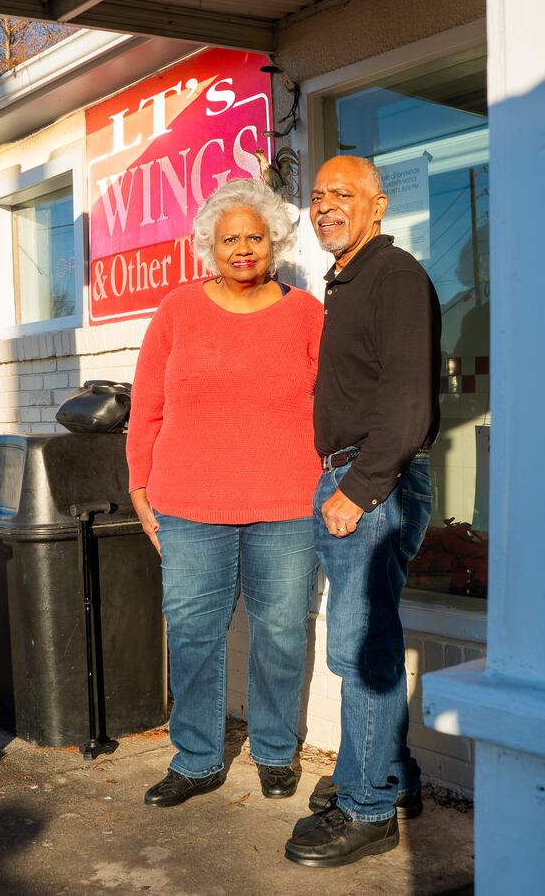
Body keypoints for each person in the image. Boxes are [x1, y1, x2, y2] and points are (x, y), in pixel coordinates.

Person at [127, 178, 323, 808]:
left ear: (275, 242)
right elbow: (147, 407)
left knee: (282, 632)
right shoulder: (177, 309)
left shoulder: (306, 314)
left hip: (288, 503)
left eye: (255, 236)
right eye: (229, 238)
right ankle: (197, 759)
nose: (243, 248)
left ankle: (271, 751)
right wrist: (137, 484)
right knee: (191, 634)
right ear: (210, 247)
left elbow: (332, 405)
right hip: (187, 503)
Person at [285, 156, 441, 867]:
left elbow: (409, 401)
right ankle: (385, 776)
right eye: (317, 197)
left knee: (362, 649)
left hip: (373, 481)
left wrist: (359, 486)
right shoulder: (348, 279)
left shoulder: (394, 275)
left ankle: (369, 808)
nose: (326, 207)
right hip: (359, 475)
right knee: (370, 641)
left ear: (378, 205)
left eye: (342, 195)